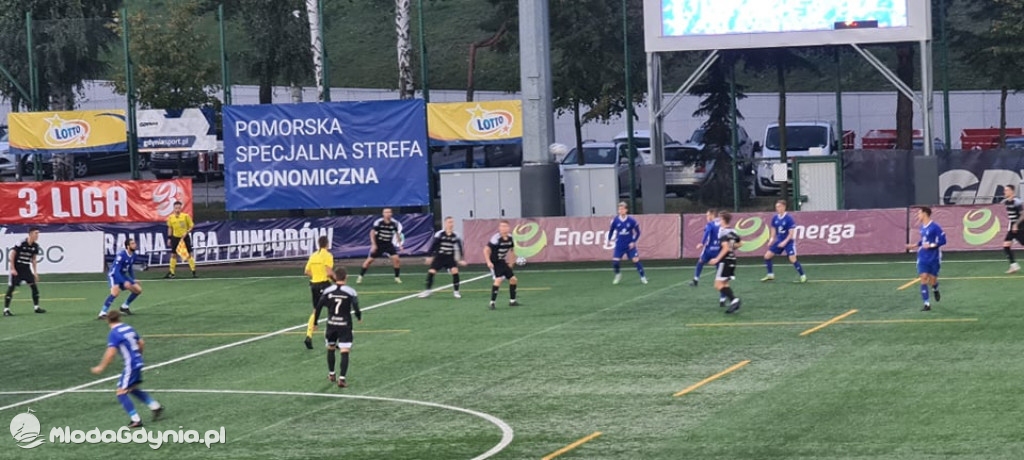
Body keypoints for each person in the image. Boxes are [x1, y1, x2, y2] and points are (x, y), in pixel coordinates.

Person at [90, 310, 164, 428]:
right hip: (138, 361)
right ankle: (155, 406)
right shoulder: (128, 328)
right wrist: (138, 355)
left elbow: (111, 353)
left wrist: (101, 367)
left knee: (121, 392)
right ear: (120, 318)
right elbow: (141, 342)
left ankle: (135, 419)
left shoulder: (114, 333)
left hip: (131, 365)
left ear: (108, 320)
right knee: (132, 388)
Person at [312, 267, 361, 388]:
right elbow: (355, 305)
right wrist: (358, 316)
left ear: (335, 277)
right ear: (346, 277)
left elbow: (318, 307)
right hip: (344, 325)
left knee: (331, 348)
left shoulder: (328, 291)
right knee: (344, 351)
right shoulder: (350, 291)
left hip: (332, 324)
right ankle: (342, 379)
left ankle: (332, 374)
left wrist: (315, 322)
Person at [906, 206, 945, 311]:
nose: (918, 215)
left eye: (919, 213)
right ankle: (927, 304)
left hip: (934, 257)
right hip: (922, 256)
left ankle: (935, 288)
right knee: (923, 278)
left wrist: (932, 245)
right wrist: (914, 245)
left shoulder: (935, 227)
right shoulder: (922, 227)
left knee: (932, 280)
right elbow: (923, 242)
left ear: (925, 214)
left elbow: (943, 240)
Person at [419, 216, 468, 298]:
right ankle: (428, 291)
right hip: (439, 257)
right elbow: (433, 246)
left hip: (450, 258)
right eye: (449, 222)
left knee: (455, 272)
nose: (451, 224)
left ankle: (456, 292)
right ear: (445, 224)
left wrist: (461, 259)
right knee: (431, 272)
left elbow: (459, 247)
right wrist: (429, 256)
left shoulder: (455, 235)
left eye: (452, 222)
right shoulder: (440, 234)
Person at [761, 200, 807, 283]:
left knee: (792, 259)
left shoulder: (789, 219)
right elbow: (773, 229)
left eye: (779, 207)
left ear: (784, 207)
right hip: (779, 241)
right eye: (776, 207)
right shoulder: (775, 217)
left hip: (788, 242)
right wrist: (771, 239)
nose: (777, 208)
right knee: (767, 256)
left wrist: (785, 242)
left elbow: (791, 234)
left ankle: (803, 275)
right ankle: (770, 275)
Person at [4, 227, 45, 316]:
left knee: (34, 286)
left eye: (38, 233)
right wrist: (12, 268)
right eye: (36, 233)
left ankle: (36, 307)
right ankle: (6, 310)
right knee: (11, 288)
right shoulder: (21, 242)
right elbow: (12, 254)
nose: (37, 235)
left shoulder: (35, 246)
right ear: (30, 234)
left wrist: (35, 272)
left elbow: (33, 259)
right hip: (17, 268)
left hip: (26, 268)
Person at [99, 239, 143, 319]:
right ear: (128, 246)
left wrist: (133, 279)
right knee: (115, 293)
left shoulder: (134, 255)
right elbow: (116, 271)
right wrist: (124, 282)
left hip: (122, 275)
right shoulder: (121, 255)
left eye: (135, 243)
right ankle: (102, 313)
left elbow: (130, 268)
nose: (135, 245)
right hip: (114, 275)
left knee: (138, 290)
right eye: (132, 244)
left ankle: (124, 307)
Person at [357, 208, 404, 284]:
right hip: (379, 244)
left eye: (389, 212)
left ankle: (397, 277)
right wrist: (374, 245)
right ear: (383, 214)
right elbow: (372, 233)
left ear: (391, 213)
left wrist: (400, 244)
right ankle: (360, 276)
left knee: (396, 259)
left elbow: (397, 233)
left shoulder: (394, 223)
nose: (387, 214)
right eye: (386, 212)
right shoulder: (379, 222)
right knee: (369, 261)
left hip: (388, 244)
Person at [304, 236, 335, 350]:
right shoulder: (328, 255)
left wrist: (315, 276)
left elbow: (306, 271)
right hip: (324, 285)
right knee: (332, 309)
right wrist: (336, 281)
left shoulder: (313, 255)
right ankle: (329, 338)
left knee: (315, 311)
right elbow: (328, 271)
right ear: (327, 244)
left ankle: (308, 336)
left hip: (314, 285)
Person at [709, 211, 743, 314]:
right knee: (725, 283)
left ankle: (734, 300)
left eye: (720, 219)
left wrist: (717, 259)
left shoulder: (723, 232)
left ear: (723, 220)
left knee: (718, 285)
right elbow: (740, 244)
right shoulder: (733, 231)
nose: (718, 221)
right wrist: (731, 247)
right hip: (732, 259)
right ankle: (733, 303)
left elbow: (725, 248)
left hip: (725, 261)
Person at [607, 202, 647, 285]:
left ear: (626, 210)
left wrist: (633, 241)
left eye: (622, 209)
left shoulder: (632, 220)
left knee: (636, 260)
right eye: (619, 209)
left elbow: (638, 232)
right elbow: (611, 231)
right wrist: (609, 239)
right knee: (615, 262)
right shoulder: (615, 220)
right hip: (619, 244)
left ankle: (643, 277)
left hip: (629, 245)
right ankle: (618, 275)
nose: (620, 211)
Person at [484, 220, 519, 310]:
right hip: (494, 262)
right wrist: (488, 262)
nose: (503, 228)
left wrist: (511, 262)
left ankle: (512, 301)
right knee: (498, 280)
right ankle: (492, 303)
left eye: (505, 226)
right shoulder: (496, 238)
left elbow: (512, 250)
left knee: (513, 280)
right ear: (499, 228)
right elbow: (486, 250)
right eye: (502, 226)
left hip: (502, 261)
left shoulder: (510, 238)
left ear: (509, 228)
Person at [165, 201, 196, 279]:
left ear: (181, 208)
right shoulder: (171, 217)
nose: (177, 209)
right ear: (174, 208)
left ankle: (193, 271)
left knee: (189, 254)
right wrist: (169, 238)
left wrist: (187, 232)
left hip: (185, 237)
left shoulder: (185, 216)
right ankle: (172, 272)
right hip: (175, 238)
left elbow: (191, 226)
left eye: (179, 208)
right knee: (173, 254)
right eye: (176, 208)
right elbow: (170, 228)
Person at [1003, 184, 1023, 274]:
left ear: (1012, 191)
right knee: (1006, 246)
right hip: (1012, 227)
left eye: (1006, 190)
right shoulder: (1006, 202)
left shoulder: (1017, 201)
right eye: (1005, 190)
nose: (1005, 192)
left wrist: (1016, 224)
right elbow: (1011, 217)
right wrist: (1011, 226)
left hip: (1020, 227)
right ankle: (1014, 266)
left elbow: (1023, 215)